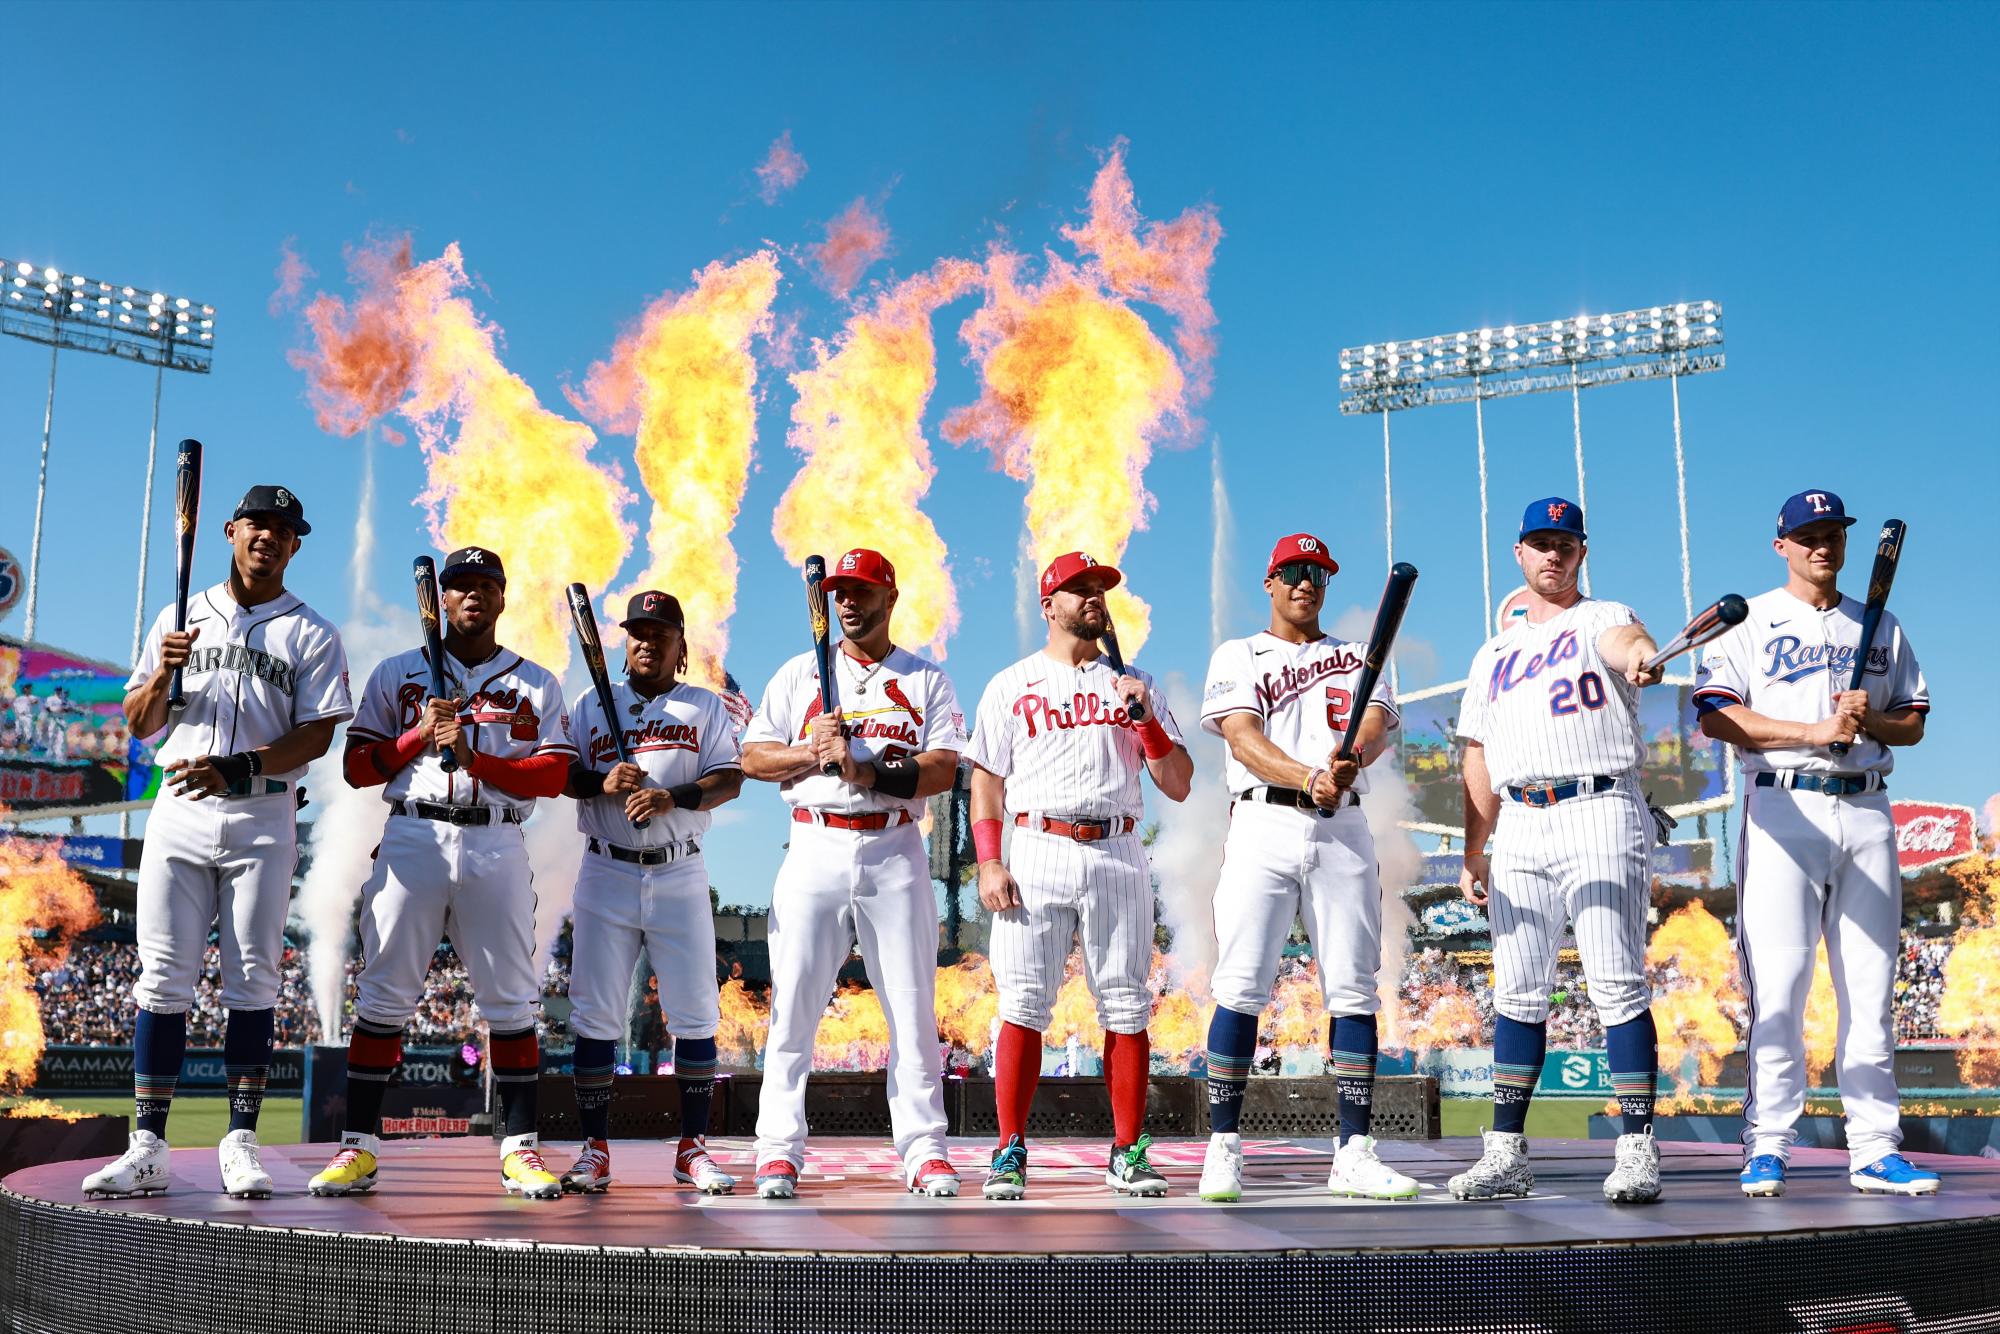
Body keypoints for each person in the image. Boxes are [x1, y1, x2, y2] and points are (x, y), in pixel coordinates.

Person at [85, 484, 350, 1199]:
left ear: (297, 545)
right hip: (179, 805)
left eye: (284, 529)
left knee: (253, 981)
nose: (269, 536)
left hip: (263, 811)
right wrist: (166, 670)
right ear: (230, 531)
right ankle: (148, 1145)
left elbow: (319, 733)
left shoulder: (312, 631)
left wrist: (244, 763)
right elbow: (138, 723)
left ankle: (239, 1140)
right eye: (258, 523)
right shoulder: (180, 615)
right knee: (163, 978)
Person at [307, 546, 574, 1200]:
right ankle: (359, 1150)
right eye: (460, 586)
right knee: (383, 996)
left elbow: (558, 774)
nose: (472, 595)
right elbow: (357, 768)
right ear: (441, 600)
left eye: (486, 585)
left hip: (496, 839)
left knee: (512, 999)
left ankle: (519, 1151)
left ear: (502, 598)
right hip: (413, 833)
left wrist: (476, 759)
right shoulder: (399, 673)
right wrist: (417, 740)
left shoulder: (533, 681)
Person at [1694, 489, 1937, 1197]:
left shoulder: (1880, 623)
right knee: (1783, 984)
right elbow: (1716, 717)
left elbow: (1913, 721)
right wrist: (1811, 733)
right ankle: (1768, 1144)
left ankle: (1875, 1148)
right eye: (1808, 536)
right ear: (1782, 546)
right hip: (1783, 807)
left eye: (1832, 533)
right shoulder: (1751, 622)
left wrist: (1873, 723)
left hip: (1866, 808)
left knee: (1871, 985)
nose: (1822, 546)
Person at [1450, 497, 1666, 1204]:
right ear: (1520, 552)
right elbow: (1476, 758)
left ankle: (1636, 1147)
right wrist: (1473, 849)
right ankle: (1506, 1152)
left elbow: (1628, 641)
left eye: (1565, 544)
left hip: (1599, 805)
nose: (1553, 555)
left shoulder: (1601, 616)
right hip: (1519, 819)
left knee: (1615, 983)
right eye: (1540, 543)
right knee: (1515, 993)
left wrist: (1640, 659)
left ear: (1581, 554)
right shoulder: (1491, 654)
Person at [739, 548, 968, 1199]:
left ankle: (924, 1149)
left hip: (895, 848)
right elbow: (754, 758)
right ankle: (778, 1149)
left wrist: (863, 767)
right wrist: (810, 750)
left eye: (862, 590)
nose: (847, 600)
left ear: (889, 598)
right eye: (839, 590)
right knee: (793, 1009)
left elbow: (944, 768)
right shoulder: (796, 676)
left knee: (912, 1008)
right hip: (813, 844)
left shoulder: (926, 679)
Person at [1195, 533, 1415, 1203]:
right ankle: (1223, 1145)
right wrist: (1307, 774)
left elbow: (1375, 719)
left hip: (1343, 824)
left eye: (1318, 573)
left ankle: (1353, 1150)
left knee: (1353, 989)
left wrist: (1355, 760)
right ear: (1269, 581)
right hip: (1263, 820)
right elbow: (1241, 735)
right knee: (1240, 982)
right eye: (1292, 570)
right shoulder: (1240, 653)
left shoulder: (1355, 654)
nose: (1306, 582)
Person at [965, 552, 1192, 1200]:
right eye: (1079, 589)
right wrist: (988, 859)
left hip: (1118, 846)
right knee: (1023, 1004)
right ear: (1049, 605)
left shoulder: (1134, 683)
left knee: (1124, 1001)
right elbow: (987, 781)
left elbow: (1177, 784)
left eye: (1100, 589)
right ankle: (1009, 1149)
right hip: (1037, 844)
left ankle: (1127, 1149)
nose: (1094, 597)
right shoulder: (1012, 684)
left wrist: (1145, 720)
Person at [558, 590, 744, 1196]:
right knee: (595, 1016)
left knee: (694, 1013)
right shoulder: (591, 704)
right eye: (637, 631)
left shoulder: (703, 707)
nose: (646, 641)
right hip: (606, 869)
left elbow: (729, 780)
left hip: (678, 868)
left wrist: (672, 796)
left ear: (679, 646)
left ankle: (692, 1147)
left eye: (660, 632)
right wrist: (601, 779)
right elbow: (560, 774)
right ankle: (594, 1150)